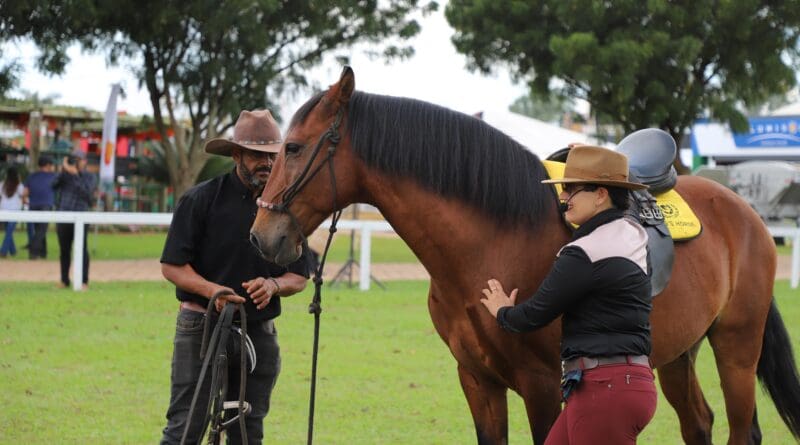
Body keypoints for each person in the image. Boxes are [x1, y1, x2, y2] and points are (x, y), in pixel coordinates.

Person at [479, 145, 656, 444]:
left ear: (600, 195)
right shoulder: (633, 233)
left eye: (571, 189)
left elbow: (534, 315)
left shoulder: (584, 253)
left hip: (605, 389)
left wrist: (502, 311)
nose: (562, 197)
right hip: (623, 383)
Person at [159, 109, 309, 445]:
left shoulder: (286, 207)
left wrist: (273, 285)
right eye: (257, 155)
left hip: (259, 331)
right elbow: (172, 266)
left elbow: (299, 276)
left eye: (272, 155)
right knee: (186, 427)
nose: (266, 163)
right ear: (237, 154)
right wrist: (213, 291)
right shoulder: (200, 199)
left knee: (247, 431)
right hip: (201, 325)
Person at [52, 150, 97, 289]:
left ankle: (84, 281)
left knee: (82, 249)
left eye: (79, 159)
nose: (76, 162)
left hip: (81, 216)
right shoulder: (65, 175)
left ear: (85, 161)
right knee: (64, 250)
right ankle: (64, 280)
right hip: (64, 216)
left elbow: (87, 195)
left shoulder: (89, 177)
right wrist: (62, 170)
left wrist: (75, 175)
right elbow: (52, 185)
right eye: (74, 159)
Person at [23, 156, 57, 259]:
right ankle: (33, 252)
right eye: (52, 165)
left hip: (33, 205)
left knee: (39, 229)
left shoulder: (32, 176)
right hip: (46, 205)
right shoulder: (54, 176)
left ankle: (43, 252)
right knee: (41, 230)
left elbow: (25, 192)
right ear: (48, 165)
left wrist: (25, 200)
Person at [0, 166, 26, 257]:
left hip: (3, 211)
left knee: (8, 231)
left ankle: (13, 251)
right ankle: (3, 251)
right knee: (9, 232)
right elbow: (23, 196)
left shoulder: (2, 184)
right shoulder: (19, 186)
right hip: (14, 211)